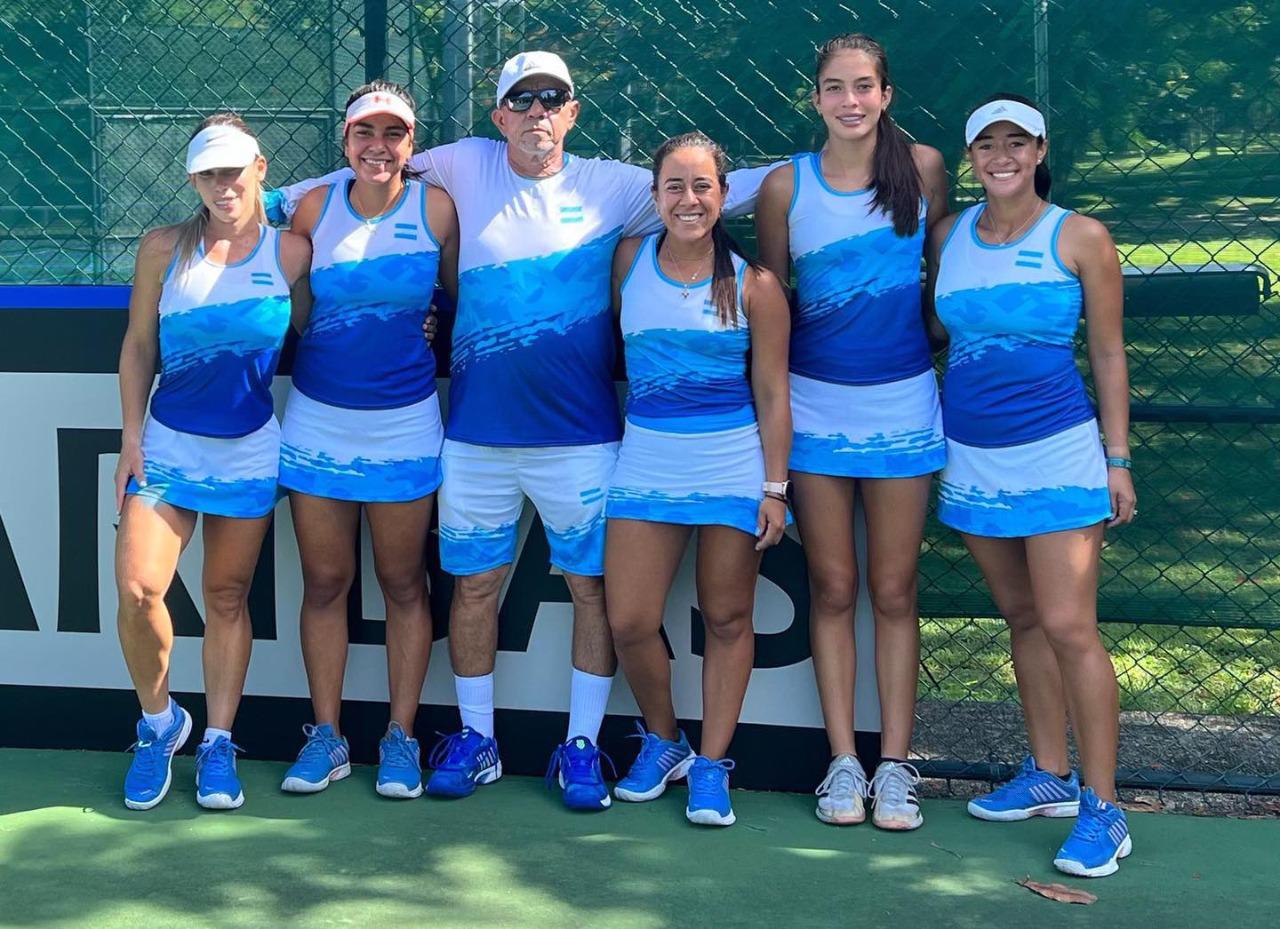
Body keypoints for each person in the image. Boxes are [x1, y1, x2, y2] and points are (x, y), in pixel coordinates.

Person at [267, 51, 779, 810]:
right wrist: (260, 195)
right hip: (474, 434)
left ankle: (580, 746)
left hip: (583, 437)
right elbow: (361, 175)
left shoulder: (618, 185)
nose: (538, 112)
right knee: (473, 587)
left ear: (573, 112)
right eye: (522, 100)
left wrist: (853, 163)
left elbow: (710, 195)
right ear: (499, 114)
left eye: (554, 99)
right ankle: (477, 741)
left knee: (590, 591)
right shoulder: (462, 165)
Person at [929, 94, 1136, 877]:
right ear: (971, 158)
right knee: (1021, 615)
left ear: (1040, 151)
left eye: (1018, 142)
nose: (1002, 156)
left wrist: (1117, 458)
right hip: (972, 456)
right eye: (987, 144)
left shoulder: (1080, 236)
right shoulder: (949, 235)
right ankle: (1049, 771)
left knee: (1067, 624)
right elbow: (945, 331)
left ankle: (1104, 806)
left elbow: (1110, 355)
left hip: (1058, 454)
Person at [754, 33, 949, 830]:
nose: (849, 101)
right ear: (815, 98)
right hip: (815, 411)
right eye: (834, 87)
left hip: (904, 406)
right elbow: (772, 306)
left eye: (863, 86)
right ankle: (843, 761)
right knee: (833, 588)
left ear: (886, 93)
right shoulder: (783, 186)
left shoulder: (927, 169)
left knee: (894, 590)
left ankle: (896, 765)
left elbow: (942, 285)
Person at [114, 114, 311, 811]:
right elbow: (139, 346)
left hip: (250, 447)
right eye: (208, 173)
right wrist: (131, 434)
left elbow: (318, 328)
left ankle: (220, 740)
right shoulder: (162, 248)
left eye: (234, 169)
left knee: (226, 598)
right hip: (166, 443)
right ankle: (159, 723)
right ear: (194, 180)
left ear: (261, 168)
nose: (223, 184)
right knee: (140, 590)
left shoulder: (292, 254)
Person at [275, 82, 459, 800]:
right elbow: (297, 310)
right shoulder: (314, 209)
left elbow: (456, 296)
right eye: (364, 134)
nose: (378, 147)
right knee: (326, 583)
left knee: (404, 583)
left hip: (407, 422)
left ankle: (400, 737)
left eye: (394, 134)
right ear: (345, 142)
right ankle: (327, 736)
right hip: (318, 418)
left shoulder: (436, 209)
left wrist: (430, 327)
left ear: (412, 145)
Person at [605, 132, 791, 825]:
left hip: (731, 467)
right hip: (646, 460)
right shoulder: (628, 261)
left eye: (702, 186)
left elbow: (773, 395)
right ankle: (665, 739)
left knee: (727, 616)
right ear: (655, 197)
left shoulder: (755, 285)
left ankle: (712, 764)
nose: (688, 199)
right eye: (674, 187)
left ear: (723, 195)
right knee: (628, 620)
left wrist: (775, 488)